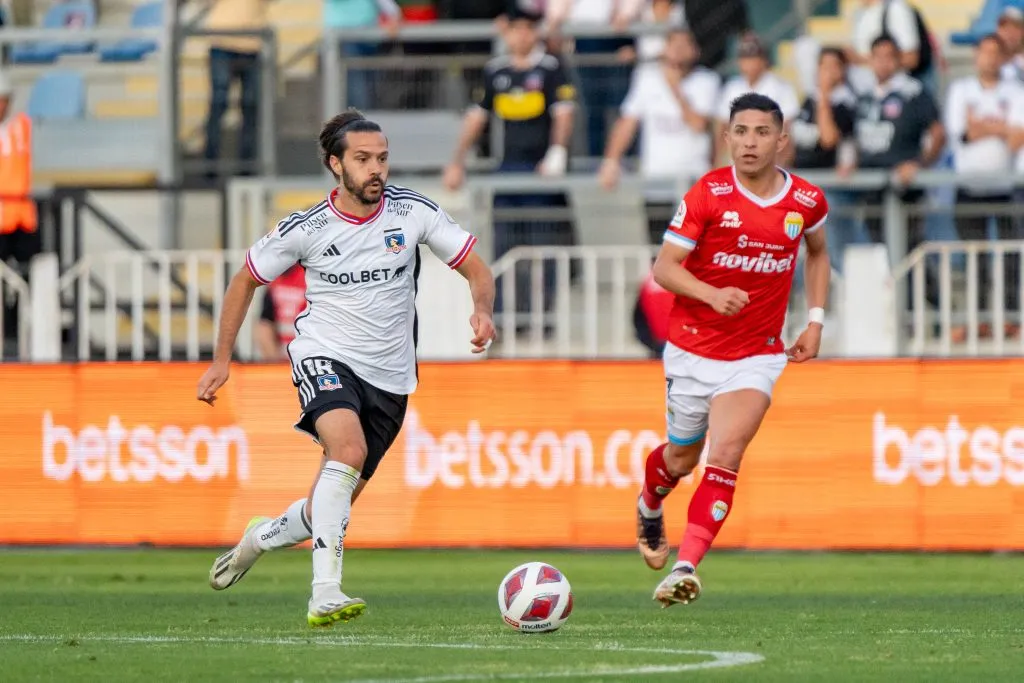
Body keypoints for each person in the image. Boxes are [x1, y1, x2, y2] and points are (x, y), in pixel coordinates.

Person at [198, 110, 497, 626]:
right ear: (335, 164)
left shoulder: (413, 213)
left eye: (381, 158)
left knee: (328, 507)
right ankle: (325, 593)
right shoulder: (306, 227)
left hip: (392, 377)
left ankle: (260, 538)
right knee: (348, 449)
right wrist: (221, 360)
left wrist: (483, 309)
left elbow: (474, 266)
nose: (375, 169)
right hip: (324, 353)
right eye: (362, 160)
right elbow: (245, 279)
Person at [635, 93, 831, 607]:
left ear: (781, 140)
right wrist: (711, 293)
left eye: (762, 132)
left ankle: (685, 567)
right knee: (680, 459)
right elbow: (665, 268)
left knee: (725, 454)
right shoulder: (708, 193)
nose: (750, 142)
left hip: (757, 354)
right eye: (741, 131)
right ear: (726, 137)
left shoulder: (806, 202)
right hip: (692, 350)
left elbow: (818, 253)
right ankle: (650, 501)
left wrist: (814, 322)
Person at [444, 8, 575, 335]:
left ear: (536, 32)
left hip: (542, 172)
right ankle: (502, 318)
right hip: (508, 171)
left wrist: (557, 152)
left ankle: (543, 319)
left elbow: (563, 114)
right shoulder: (496, 70)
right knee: (505, 247)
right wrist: (456, 161)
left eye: (527, 29)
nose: (521, 36)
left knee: (543, 247)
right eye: (514, 30)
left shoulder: (551, 68)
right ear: (506, 33)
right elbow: (477, 118)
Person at [600, 29, 720, 244]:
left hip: (693, 179)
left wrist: (674, 88)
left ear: (696, 51)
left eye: (685, 45)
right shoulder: (646, 78)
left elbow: (698, 124)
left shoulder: (707, 81)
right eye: (674, 45)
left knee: (695, 249)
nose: (679, 51)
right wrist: (611, 160)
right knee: (659, 249)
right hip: (656, 180)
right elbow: (628, 121)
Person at [945, 33, 1023, 339]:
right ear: (976, 56)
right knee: (974, 257)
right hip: (969, 186)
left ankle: (1011, 318)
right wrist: (1001, 128)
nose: (989, 58)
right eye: (984, 52)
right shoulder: (960, 90)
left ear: (1003, 57)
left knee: (1010, 257)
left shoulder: (1015, 91)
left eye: (995, 52)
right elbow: (962, 134)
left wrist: (983, 126)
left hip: (1007, 186)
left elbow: (1017, 139)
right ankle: (978, 319)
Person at [714, 34, 799, 167]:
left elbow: (786, 131)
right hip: (737, 165)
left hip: (769, 165)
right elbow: (722, 129)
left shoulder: (780, 87)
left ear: (764, 60)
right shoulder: (732, 87)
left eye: (753, 57)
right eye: (744, 57)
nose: (748, 63)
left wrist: (780, 166)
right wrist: (717, 162)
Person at [255, 264, 307, 361]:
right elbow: (265, 324)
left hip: (307, 358)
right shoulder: (274, 281)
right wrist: (274, 360)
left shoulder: (309, 278)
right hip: (281, 359)